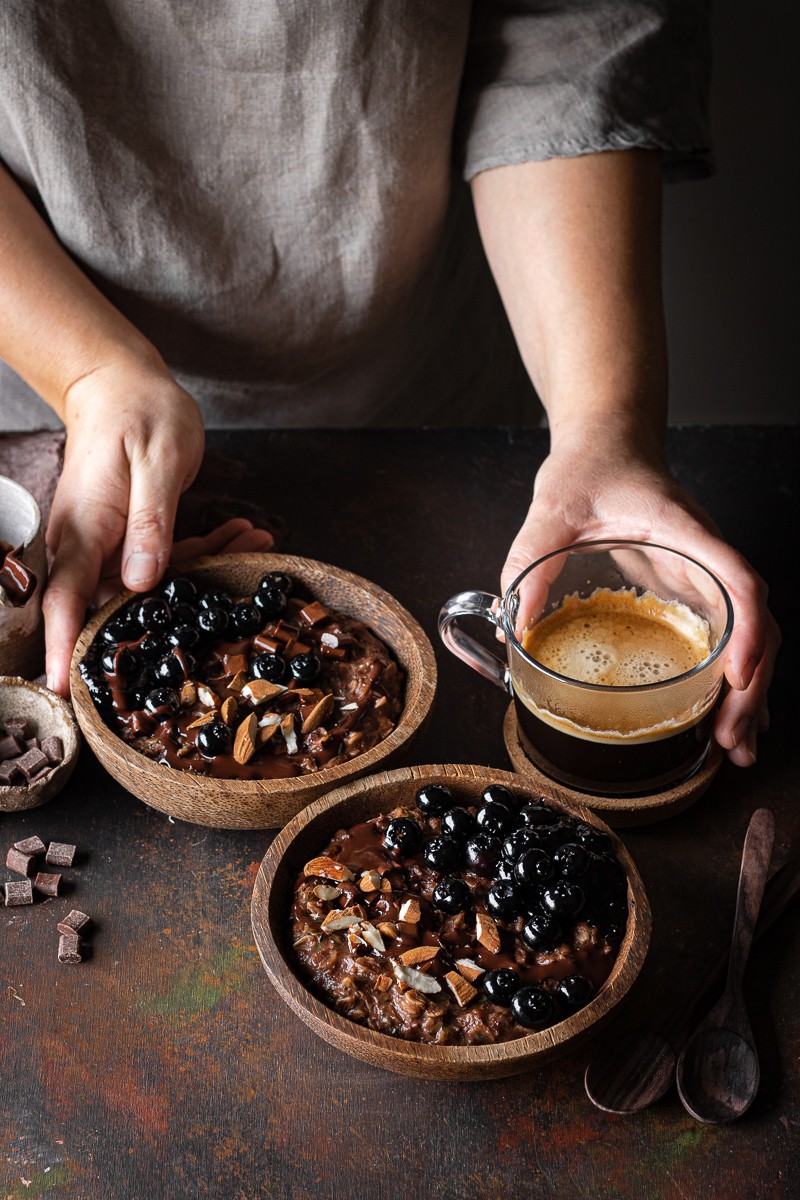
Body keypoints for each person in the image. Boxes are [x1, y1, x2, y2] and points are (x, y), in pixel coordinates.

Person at [0, 2, 778, 768]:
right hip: (57, 413)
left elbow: (567, 38)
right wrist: (88, 372)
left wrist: (605, 432)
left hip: (439, 412)